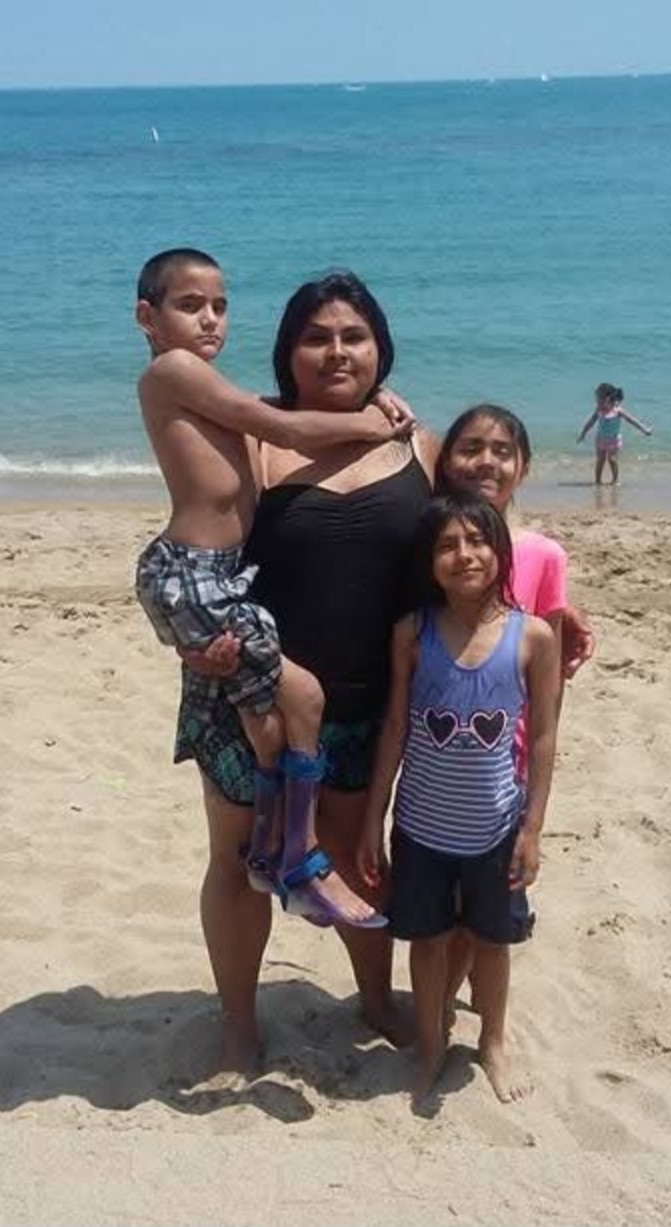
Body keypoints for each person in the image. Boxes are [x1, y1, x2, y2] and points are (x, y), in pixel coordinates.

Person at [179, 270, 596, 1075]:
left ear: (380, 348)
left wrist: (548, 607)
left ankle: (374, 998)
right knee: (235, 858)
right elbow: (202, 549)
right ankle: (239, 1025)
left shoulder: (414, 442)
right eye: (316, 337)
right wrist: (195, 638)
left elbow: (472, 539)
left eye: (354, 336)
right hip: (253, 689)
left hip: (373, 699)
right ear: (287, 351)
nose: (337, 351)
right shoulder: (253, 440)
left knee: (356, 853)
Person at [133, 248, 410, 933]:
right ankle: (297, 853)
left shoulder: (207, 389)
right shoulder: (177, 375)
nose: (209, 319)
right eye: (190, 305)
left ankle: (272, 848)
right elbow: (284, 426)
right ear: (147, 317)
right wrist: (370, 422)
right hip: (199, 574)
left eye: (220, 306)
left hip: (218, 579)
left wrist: (377, 400)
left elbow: (269, 412)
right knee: (302, 700)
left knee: (269, 725)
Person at [358, 494, 560, 1103]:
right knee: (427, 942)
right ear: (429, 561)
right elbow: (396, 726)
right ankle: (431, 1046)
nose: (464, 555)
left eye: (477, 541)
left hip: (496, 829)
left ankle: (492, 1041)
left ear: (501, 551)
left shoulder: (533, 637)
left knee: (493, 943)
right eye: (447, 545)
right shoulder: (412, 633)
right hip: (420, 828)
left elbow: (543, 738)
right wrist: (373, 819)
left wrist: (532, 828)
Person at [435, 405, 566, 1011]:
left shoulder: (543, 555)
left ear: (525, 468)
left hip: (505, 767)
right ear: (445, 462)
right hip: (437, 760)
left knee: (488, 904)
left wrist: (537, 803)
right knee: (444, 898)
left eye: (503, 451)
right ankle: (444, 999)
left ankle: (460, 1005)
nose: (486, 461)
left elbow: (548, 685)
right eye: (470, 448)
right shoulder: (435, 548)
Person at [577, 382, 652, 485]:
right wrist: (583, 434)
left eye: (598, 400)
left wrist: (644, 429)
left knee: (612, 459)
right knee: (600, 460)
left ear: (607, 399)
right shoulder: (599, 410)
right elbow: (591, 422)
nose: (597, 402)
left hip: (614, 440)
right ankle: (598, 481)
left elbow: (632, 420)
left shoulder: (617, 410)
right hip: (600, 440)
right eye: (596, 400)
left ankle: (615, 480)